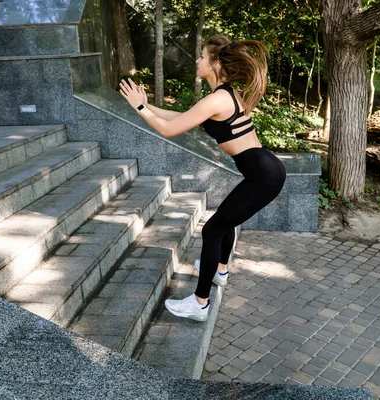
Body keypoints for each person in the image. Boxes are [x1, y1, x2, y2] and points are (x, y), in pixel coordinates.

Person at [119, 35, 286, 322]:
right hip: (263, 169)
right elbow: (181, 117)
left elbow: (170, 130)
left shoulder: (217, 98)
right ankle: (220, 270)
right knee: (225, 220)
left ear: (215, 63)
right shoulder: (225, 94)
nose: (197, 60)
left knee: (212, 229)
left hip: (263, 174)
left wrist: (140, 108)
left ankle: (200, 303)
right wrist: (147, 105)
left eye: (202, 56)